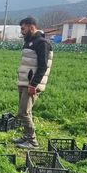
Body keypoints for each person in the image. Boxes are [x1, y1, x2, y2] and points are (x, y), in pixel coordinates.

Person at [13, 17, 53, 149]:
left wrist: (33, 85)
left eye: (23, 28)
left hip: (31, 84)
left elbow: (43, 66)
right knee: (26, 111)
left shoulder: (42, 43)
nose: (22, 31)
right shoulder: (30, 41)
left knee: (24, 112)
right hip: (25, 82)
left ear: (31, 27)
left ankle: (32, 141)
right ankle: (27, 137)